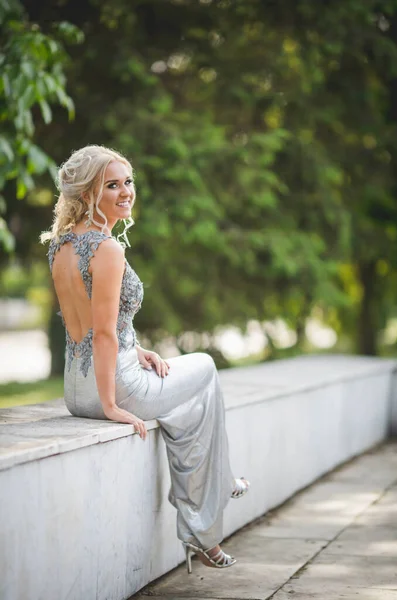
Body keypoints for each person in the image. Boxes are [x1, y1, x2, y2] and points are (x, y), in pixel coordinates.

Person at [40, 145, 250, 573]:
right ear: (88, 194)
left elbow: (86, 323)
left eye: (127, 182)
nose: (125, 192)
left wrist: (135, 347)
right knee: (206, 368)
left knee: (189, 404)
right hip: (113, 388)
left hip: (75, 393)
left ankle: (217, 490)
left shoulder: (61, 245)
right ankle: (207, 514)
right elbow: (99, 334)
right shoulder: (108, 250)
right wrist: (113, 405)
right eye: (111, 185)